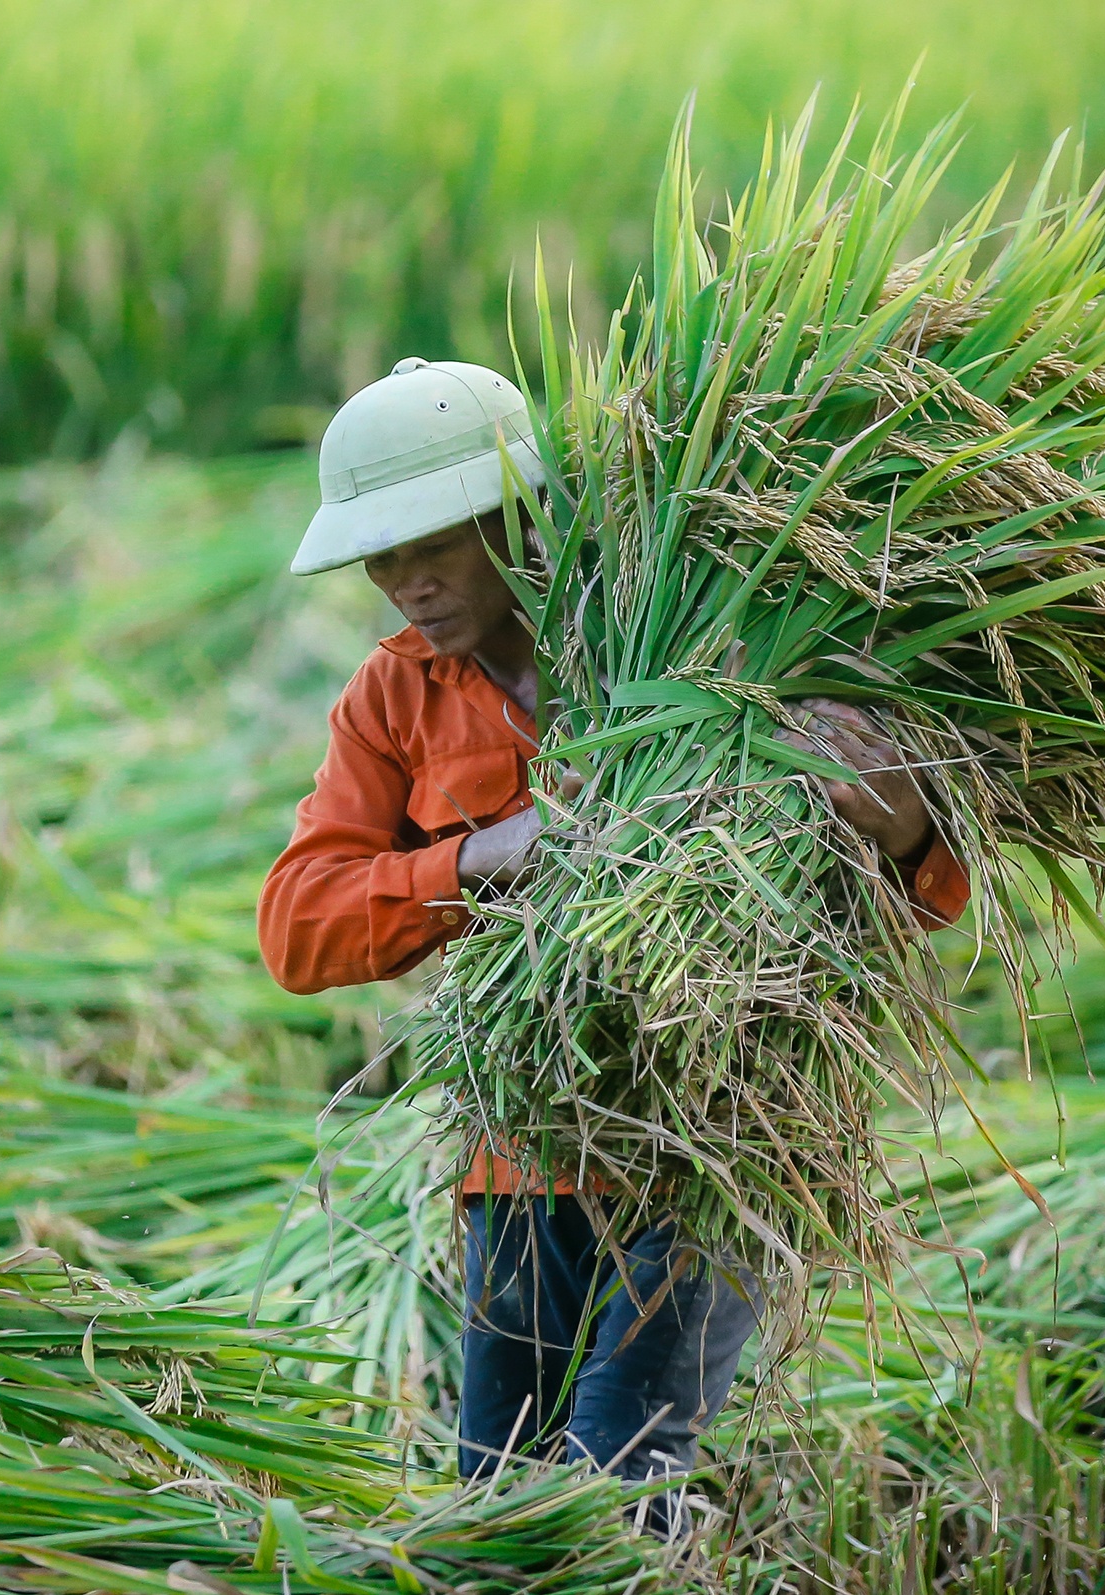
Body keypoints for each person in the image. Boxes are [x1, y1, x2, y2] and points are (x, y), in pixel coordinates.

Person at [257, 357, 969, 1487]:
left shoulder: (705, 635)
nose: (402, 581)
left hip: (730, 1131)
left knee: (619, 1475)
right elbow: (297, 927)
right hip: (527, 1143)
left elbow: (929, 889)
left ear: (514, 514)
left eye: (428, 545)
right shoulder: (392, 696)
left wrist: (897, 821)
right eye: (377, 556)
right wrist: (484, 854)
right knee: (496, 1485)